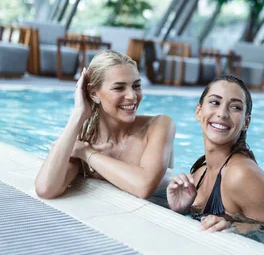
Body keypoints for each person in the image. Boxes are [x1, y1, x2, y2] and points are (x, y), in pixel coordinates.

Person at [35, 50, 175, 200]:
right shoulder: (83, 141)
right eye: (119, 88)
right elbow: (45, 189)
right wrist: (77, 115)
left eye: (136, 86)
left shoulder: (159, 125)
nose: (132, 96)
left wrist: (87, 153)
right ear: (94, 93)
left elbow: (143, 187)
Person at [167, 74, 264, 233]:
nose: (222, 113)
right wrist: (182, 210)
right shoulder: (200, 174)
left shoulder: (241, 174)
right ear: (199, 111)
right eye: (215, 102)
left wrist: (235, 227)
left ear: (245, 123)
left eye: (235, 107)